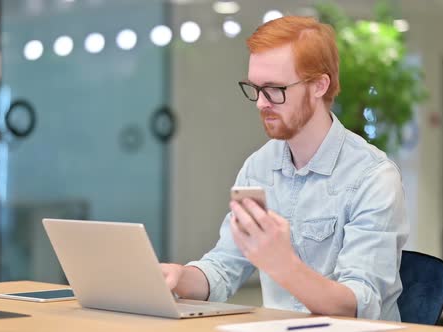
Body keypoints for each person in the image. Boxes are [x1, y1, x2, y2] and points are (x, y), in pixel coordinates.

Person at [161, 15, 408, 321]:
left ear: (319, 85)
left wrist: (283, 264)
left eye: (274, 89)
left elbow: (359, 302)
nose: (260, 103)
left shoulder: (373, 177)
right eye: (255, 88)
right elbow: (224, 268)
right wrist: (178, 277)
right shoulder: (259, 167)